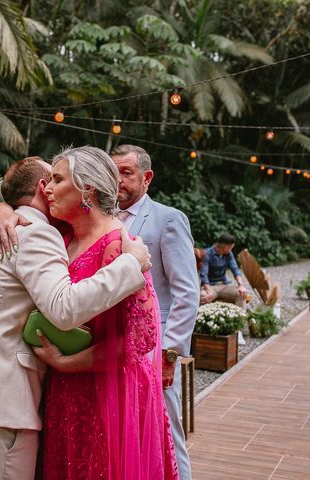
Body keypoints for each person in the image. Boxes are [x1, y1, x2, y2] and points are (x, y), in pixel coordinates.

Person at [0, 156, 153, 480]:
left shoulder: (5, 229)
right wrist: (130, 265)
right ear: (42, 187)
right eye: (52, 179)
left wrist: (3, 209)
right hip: (1, 404)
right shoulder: (35, 234)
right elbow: (63, 309)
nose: (54, 187)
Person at [34, 146, 178, 479]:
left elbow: (141, 339)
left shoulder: (120, 245)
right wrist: (3, 211)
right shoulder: (63, 235)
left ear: (88, 189)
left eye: (57, 179)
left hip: (109, 394)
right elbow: (20, 205)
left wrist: (67, 363)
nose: (48, 188)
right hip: (68, 389)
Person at [110, 144, 199, 480]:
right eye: (114, 171)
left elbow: (186, 292)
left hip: (153, 345)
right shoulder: (102, 217)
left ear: (146, 178)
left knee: (166, 429)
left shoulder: (168, 219)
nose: (118, 179)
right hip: (111, 344)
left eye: (126, 172)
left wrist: (170, 354)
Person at [200, 233, 248, 308]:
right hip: (210, 286)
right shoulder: (207, 254)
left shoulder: (229, 254)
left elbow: (235, 269)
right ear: (225, 247)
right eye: (231, 248)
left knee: (241, 294)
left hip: (224, 285)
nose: (231, 250)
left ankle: (241, 318)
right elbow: (203, 275)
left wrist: (240, 285)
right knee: (203, 296)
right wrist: (209, 291)